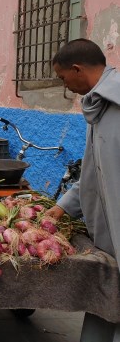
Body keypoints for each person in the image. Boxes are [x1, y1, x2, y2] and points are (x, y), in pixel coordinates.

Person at [44, 39, 120, 341]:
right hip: (108, 233)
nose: (66, 87)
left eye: (63, 79)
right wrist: (62, 206)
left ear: (77, 69)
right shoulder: (98, 106)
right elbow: (92, 172)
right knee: (104, 301)